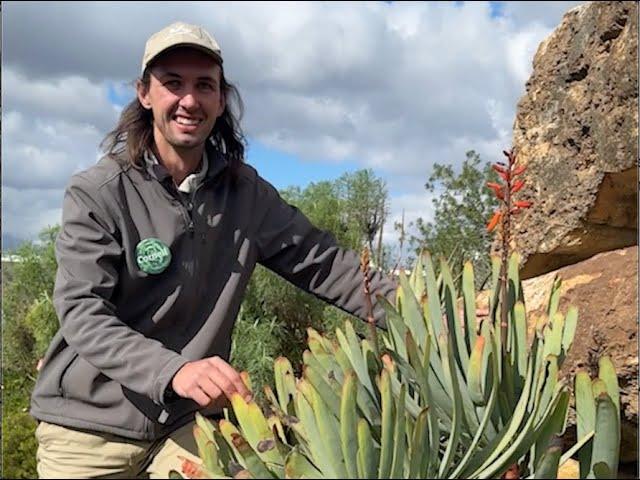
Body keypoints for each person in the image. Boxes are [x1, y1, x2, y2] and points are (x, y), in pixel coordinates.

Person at [30, 21, 398, 478]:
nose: (189, 100)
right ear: (144, 93)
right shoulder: (99, 192)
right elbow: (83, 311)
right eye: (173, 84)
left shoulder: (246, 195)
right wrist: (174, 371)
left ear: (221, 100)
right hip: (91, 428)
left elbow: (325, 265)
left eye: (204, 85)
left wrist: (425, 312)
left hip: (187, 426)